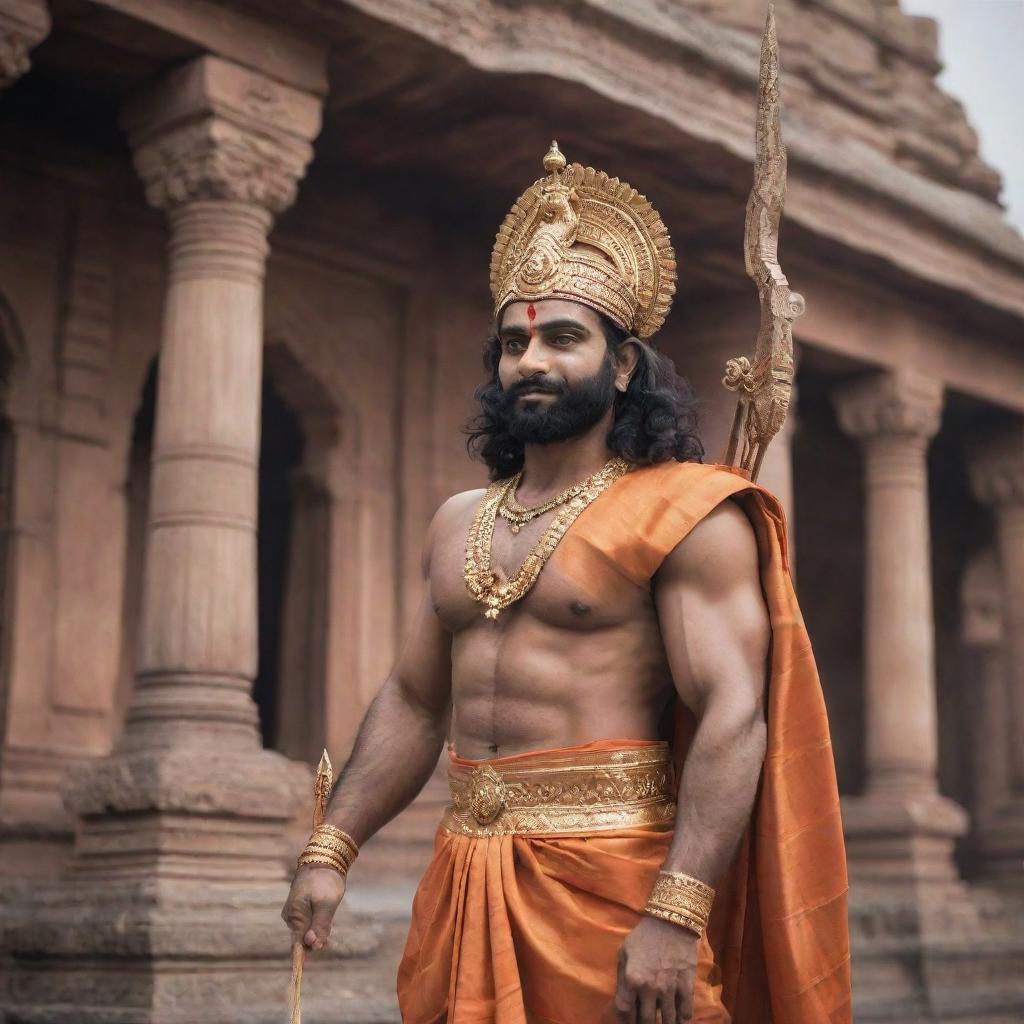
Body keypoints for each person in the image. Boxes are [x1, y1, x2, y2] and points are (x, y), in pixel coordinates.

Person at [281, 143, 852, 1024]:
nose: (531, 361)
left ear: (623, 366)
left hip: (616, 886)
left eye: (562, 338)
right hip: (466, 874)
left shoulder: (685, 513)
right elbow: (413, 698)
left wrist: (677, 909)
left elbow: (735, 715)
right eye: (514, 343)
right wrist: (333, 845)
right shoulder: (456, 519)